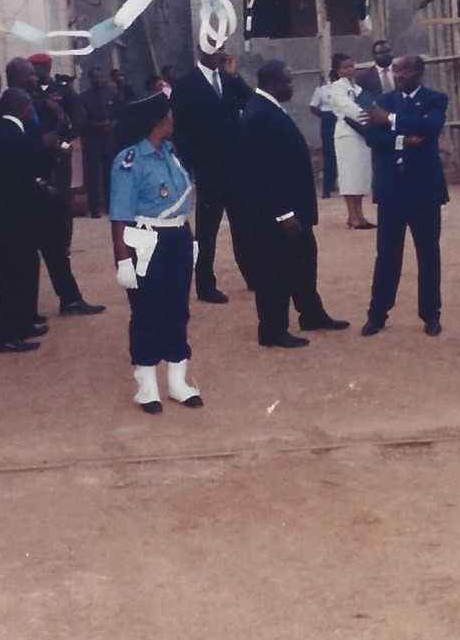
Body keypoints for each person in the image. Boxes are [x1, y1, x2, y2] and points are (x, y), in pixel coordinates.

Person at [239, 58, 349, 347]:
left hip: (293, 209)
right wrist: (284, 214)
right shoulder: (260, 114)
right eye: (288, 81)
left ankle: (311, 313)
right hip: (277, 215)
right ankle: (272, 330)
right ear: (274, 84)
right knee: (275, 270)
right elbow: (266, 172)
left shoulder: (269, 108)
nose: (292, 86)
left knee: (303, 262)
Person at [108, 92, 204, 414]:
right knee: (148, 312)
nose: (175, 120)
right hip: (145, 243)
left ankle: (178, 383)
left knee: (178, 310)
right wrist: (122, 259)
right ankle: (147, 387)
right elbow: (120, 214)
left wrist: (190, 239)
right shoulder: (130, 160)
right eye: (171, 115)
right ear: (160, 121)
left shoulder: (171, 154)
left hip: (176, 239)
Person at [355, 54, 450, 336]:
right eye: (395, 71)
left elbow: (431, 127)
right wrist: (403, 137)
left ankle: (430, 314)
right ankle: (377, 313)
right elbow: (372, 136)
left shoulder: (436, 98)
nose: (398, 76)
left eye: (405, 71)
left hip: (424, 190)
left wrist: (391, 120)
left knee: (428, 254)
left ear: (419, 73)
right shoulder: (381, 101)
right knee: (386, 254)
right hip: (391, 190)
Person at [8, 55, 103, 318]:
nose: (35, 77)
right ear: (16, 76)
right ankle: (25, 313)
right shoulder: (13, 107)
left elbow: (74, 120)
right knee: (31, 253)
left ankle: (69, 299)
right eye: (29, 73)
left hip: (49, 181)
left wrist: (59, 143)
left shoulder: (46, 99)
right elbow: (11, 147)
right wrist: (42, 144)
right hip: (29, 189)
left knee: (56, 245)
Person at [171, 40, 255, 303]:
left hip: (236, 167)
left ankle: (253, 276)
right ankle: (205, 286)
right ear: (200, 49)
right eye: (213, 48)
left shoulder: (229, 80)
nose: (218, 53)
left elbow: (251, 104)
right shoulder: (185, 84)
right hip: (208, 170)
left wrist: (234, 76)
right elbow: (180, 131)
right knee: (207, 230)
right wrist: (191, 167)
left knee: (244, 226)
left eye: (221, 48)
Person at [0, 87, 48, 353]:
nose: (32, 109)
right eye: (29, 104)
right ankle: (5, 335)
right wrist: (42, 189)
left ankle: (21, 324)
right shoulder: (14, 136)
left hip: (4, 213)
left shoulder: (0, 132)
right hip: (13, 217)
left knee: (24, 270)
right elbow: (20, 181)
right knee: (13, 276)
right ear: (21, 106)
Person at [323, 53, 377, 229]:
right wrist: (368, 117)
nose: (350, 70)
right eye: (345, 67)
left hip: (361, 135)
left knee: (360, 175)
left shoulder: (358, 88)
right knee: (349, 175)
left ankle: (360, 215)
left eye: (352, 66)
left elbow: (370, 104)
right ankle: (352, 215)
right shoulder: (336, 87)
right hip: (346, 135)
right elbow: (347, 107)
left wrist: (372, 115)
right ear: (338, 70)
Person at [80, 64, 121, 219]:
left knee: (110, 174)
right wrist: (98, 126)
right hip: (92, 141)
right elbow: (82, 122)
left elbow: (118, 114)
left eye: (100, 77)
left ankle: (111, 207)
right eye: (95, 77)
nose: (98, 80)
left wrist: (114, 123)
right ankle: (95, 209)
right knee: (93, 176)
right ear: (90, 79)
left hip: (109, 141)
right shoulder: (83, 98)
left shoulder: (109, 95)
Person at [308, 67, 340, 197]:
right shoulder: (322, 90)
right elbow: (313, 106)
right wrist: (326, 117)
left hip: (343, 119)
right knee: (329, 155)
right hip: (328, 119)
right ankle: (328, 188)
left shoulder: (349, 88)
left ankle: (344, 186)